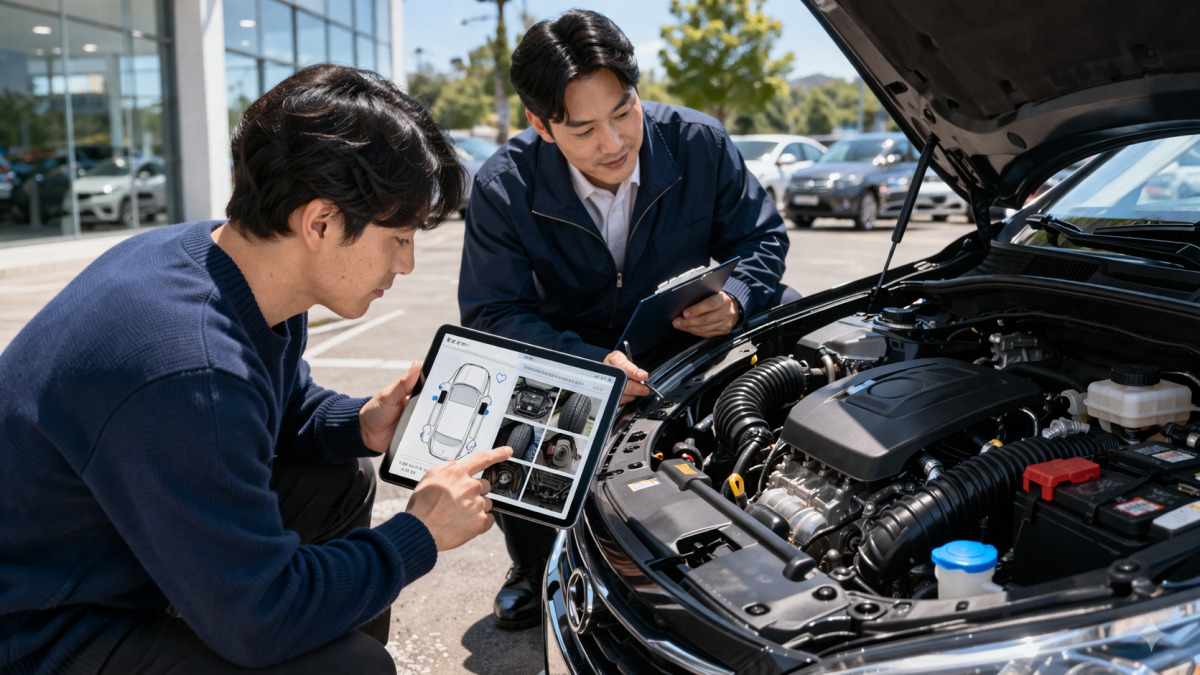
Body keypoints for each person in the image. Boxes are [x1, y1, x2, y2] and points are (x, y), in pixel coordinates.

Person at [0, 64, 511, 674]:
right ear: (319, 222)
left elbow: (283, 406)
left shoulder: (224, 262)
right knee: (353, 670)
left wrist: (364, 423)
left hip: (109, 547)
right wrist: (418, 535)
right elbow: (259, 617)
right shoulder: (189, 367)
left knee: (336, 480)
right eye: (398, 238)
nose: (405, 264)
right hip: (41, 625)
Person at [458, 9, 793, 630]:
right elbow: (492, 314)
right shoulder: (503, 185)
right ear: (541, 124)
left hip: (679, 339)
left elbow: (762, 241)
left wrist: (740, 297)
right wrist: (587, 367)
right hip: (571, 355)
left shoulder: (700, 142)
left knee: (790, 310)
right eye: (583, 129)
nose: (612, 144)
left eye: (623, 111)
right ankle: (535, 566)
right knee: (500, 390)